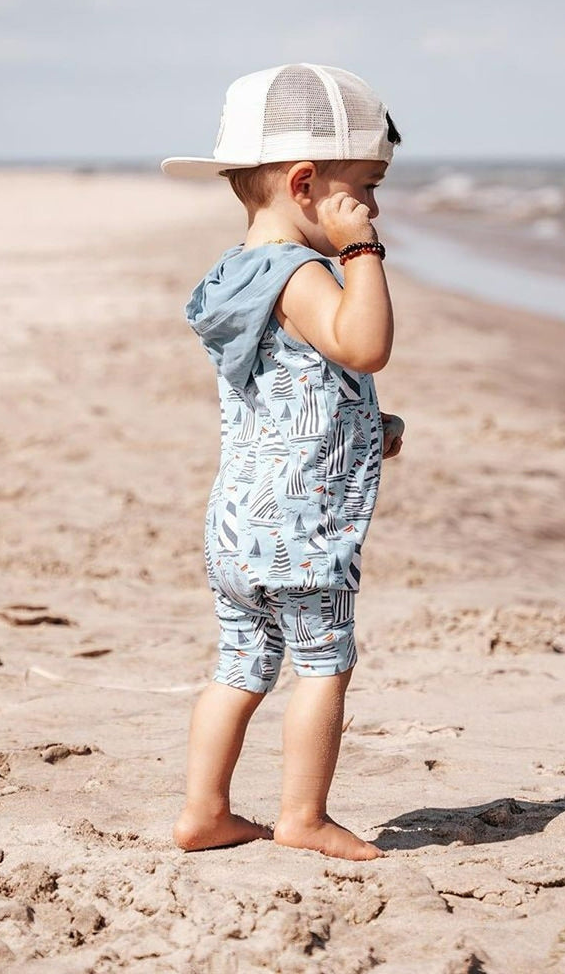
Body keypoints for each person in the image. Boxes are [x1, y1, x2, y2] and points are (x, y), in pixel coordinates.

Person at [161, 64, 406, 861]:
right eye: (366, 186)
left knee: (238, 668)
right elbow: (363, 346)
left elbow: (295, 387)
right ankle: (302, 815)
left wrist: (373, 428)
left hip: (238, 523)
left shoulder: (236, 275)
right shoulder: (303, 275)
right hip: (303, 531)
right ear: (307, 183)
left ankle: (206, 811)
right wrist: (361, 249)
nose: (373, 205)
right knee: (323, 665)